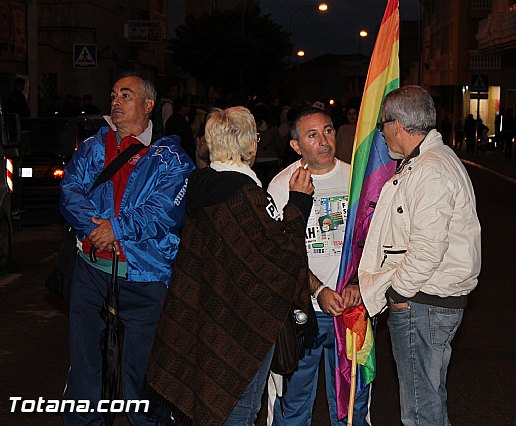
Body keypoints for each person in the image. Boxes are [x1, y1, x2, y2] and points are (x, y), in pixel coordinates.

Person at [145, 106, 314, 425]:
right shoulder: (247, 197)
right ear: (251, 145)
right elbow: (280, 257)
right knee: (240, 410)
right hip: (242, 325)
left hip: (208, 318)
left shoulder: (199, 185)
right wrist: (299, 202)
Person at [59, 72, 195, 426]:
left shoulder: (171, 158)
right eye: (113, 95)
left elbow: (164, 210)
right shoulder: (93, 147)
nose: (116, 101)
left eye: (126, 95)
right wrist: (96, 230)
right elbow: (70, 191)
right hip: (92, 273)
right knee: (85, 370)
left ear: (148, 105)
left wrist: (115, 228)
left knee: (144, 374)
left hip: (146, 277)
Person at [359, 85, 481, 426]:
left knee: (419, 408)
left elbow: (428, 248)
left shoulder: (430, 169)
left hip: (423, 302)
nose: (381, 132)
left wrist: (398, 293)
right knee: (428, 398)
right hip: (429, 300)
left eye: (383, 124)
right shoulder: (428, 162)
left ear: (398, 124)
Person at [266, 107, 371, 425]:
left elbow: (374, 241)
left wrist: (358, 285)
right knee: (294, 404)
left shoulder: (357, 179)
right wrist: (320, 290)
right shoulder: (282, 185)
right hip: (302, 313)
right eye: (312, 135)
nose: (324, 140)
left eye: (328, 130)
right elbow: (279, 255)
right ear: (296, 145)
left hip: (352, 311)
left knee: (351, 406)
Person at [164, 96, 196, 162]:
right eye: (187, 106)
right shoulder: (180, 121)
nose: (189, 109)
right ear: (182, 108)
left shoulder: (171, 119)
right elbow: (186, 139)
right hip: (182, 154)